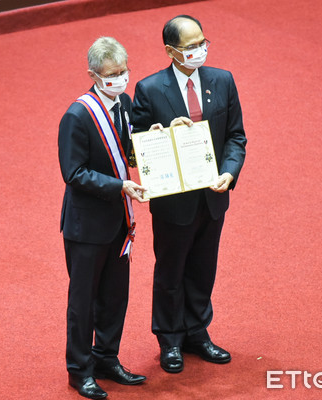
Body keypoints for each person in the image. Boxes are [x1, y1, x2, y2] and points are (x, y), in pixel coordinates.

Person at [131, 15, 247, 373]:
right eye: (191, 46)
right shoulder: (149, 89)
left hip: (212, 195)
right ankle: (170, 340)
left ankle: (197, 332)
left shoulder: (222, 80)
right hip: (173, 200)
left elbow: (236, 137)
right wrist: (164, 131)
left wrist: (229, 171)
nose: (200, 51)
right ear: (171, 51)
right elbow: (135, 147)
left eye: (203, 43)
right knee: (171, 270)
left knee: (202, 267)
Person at [58, 37, 148, 399]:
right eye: (112, 74)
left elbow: (123, 149)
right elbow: (74, 173)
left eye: (124, 71)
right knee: (83, 303)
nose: (120, 79)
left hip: (118, 222)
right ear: (93, 75)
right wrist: (120, 186)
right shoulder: (77, 115)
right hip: (86, 228)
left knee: (115, 296)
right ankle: (80, 371)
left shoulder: (123, 103)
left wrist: (146, 147)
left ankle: (106, 357)